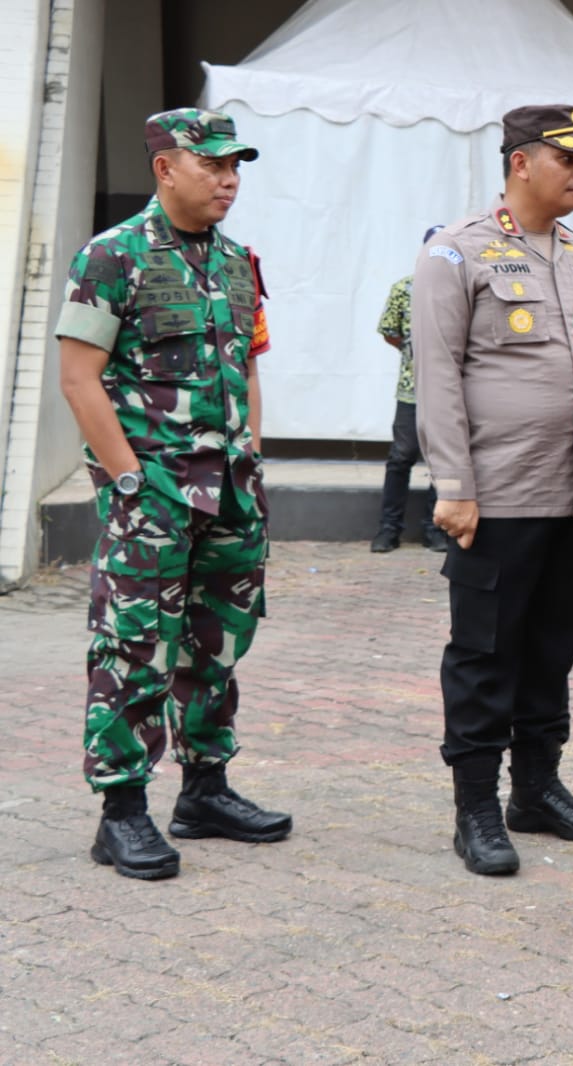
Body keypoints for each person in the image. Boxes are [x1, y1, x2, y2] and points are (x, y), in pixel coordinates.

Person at [55, 108, 290, 880]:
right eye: (213, 165)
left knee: (216, 644)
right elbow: (78, 377)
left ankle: (205, 789)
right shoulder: (111, 257)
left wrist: (251, 447)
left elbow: (249, 362)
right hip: (152, 494)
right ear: (165, 168)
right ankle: (121, 810)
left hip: (229, 492)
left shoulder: (235, 260)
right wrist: (126, 479)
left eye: (236, 167)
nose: (229, 180)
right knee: (132, 650)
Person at [412, 105, 573, 876]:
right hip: (494, 499)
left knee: (554, 646)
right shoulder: (456, 254)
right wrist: (454, 485)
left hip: (572, 499)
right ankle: (476, 806)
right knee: (485, 652)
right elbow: (436, 377)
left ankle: (534, 788)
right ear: (521, 163)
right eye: (569, 158)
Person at [371, 225, 450, 554]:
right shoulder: (404, 288)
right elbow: (389, 331)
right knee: (400, 458)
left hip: (447, 394)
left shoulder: (460, 290)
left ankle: (435, 528)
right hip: (411, 391)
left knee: (443, 462)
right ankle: (389, 529)